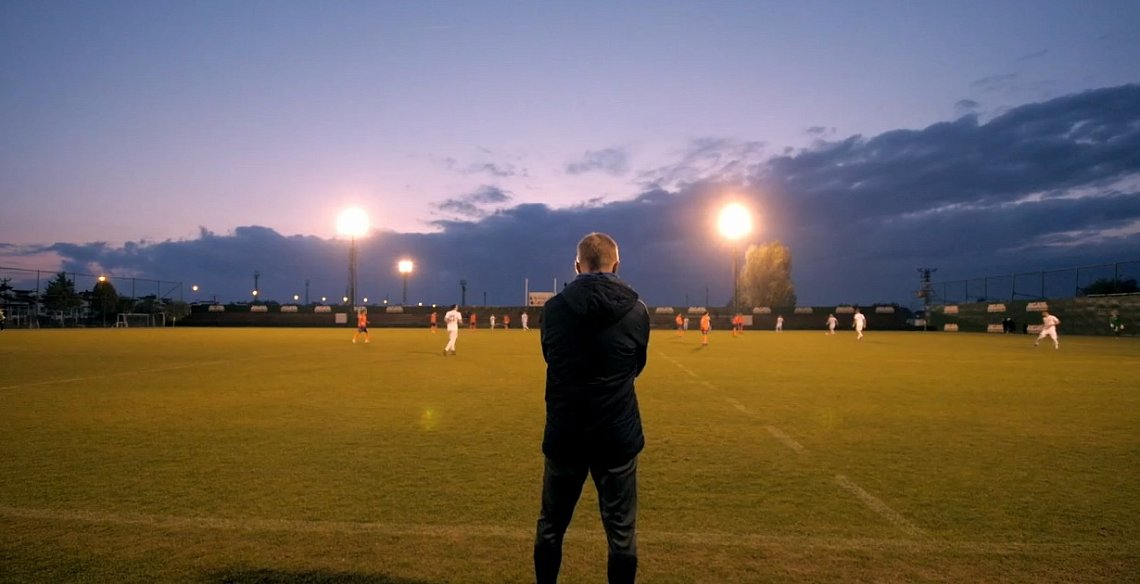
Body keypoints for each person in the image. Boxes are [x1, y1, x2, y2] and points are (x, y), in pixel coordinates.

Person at [535, 232, 649, 584]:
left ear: (576, 265)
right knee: (621, 534)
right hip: (616, 435)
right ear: (616, 264)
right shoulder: (636, 310)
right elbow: (636, 367)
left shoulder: (554, 309)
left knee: (552, 526)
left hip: (566, 432)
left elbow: (550, 358)